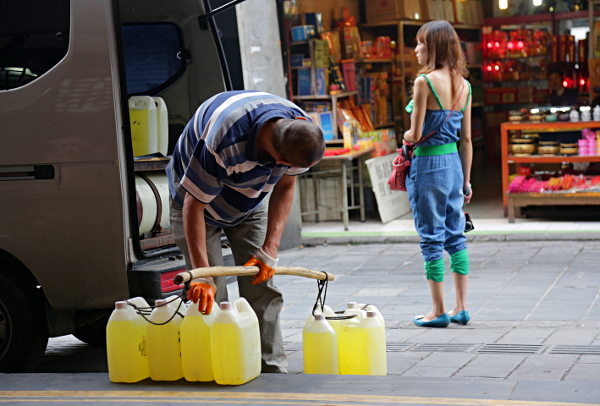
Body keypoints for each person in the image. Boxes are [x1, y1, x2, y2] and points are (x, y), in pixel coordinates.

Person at [166, 90, 325, 373]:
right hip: (196, 204)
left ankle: (271, 365)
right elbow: (193, 207)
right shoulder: (223, 140)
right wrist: (202, 274)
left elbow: (286, 187)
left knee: (261, 283)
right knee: (211, 294)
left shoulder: (300, 129)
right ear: (281, 159)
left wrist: (270, 250)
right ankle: (219, 367)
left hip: (248, 204)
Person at [403, 20, 472, 328]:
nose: (415, 48)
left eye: (419, 43)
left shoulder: (424, 82)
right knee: (456, 236)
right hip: (455, 167)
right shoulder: (465, 85)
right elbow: (466, 139)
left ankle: (438, 310)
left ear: (433, 47)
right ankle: (461, 307)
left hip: (429, 166)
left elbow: (415, 135)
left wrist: (405, 137)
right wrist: (467, 180)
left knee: (431, 237)